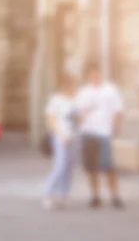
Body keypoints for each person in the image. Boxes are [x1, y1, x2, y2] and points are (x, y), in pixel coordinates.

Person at [75, 62, 125, 209]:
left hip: (104, 132)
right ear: (87, 76)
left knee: (108, 166)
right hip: (87, 132)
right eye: (90, 74)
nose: (94, 76)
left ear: (100, 73)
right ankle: (95, 196)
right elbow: (78, 114)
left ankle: (115, 196)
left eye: (96, 73)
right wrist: (82, 115)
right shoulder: (83, 92)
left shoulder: (110, 90)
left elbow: (119, 111)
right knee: (91, 167)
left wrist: (115, 128)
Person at [42, 75, 79, 209]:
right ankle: (47, 193)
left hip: (74, 137)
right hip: (61, 138)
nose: (72, 88)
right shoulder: (55, 100)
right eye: (70, 85)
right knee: (60, 166)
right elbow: (50, 121)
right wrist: (61, 135)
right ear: (64, 86)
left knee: (69, 167)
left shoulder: (74, 101)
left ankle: (64, 195)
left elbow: (77, 119)